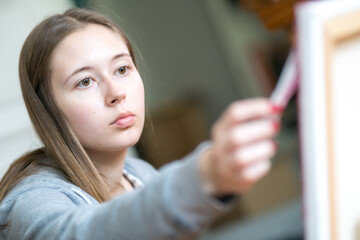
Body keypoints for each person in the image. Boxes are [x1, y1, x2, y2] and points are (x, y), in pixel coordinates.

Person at [0, 8, 282, 240]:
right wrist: (202, 176)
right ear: (47, 109)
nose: (116, 93)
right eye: (85, 81)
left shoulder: (140, 174)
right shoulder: (30, 201)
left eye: (122, 69)